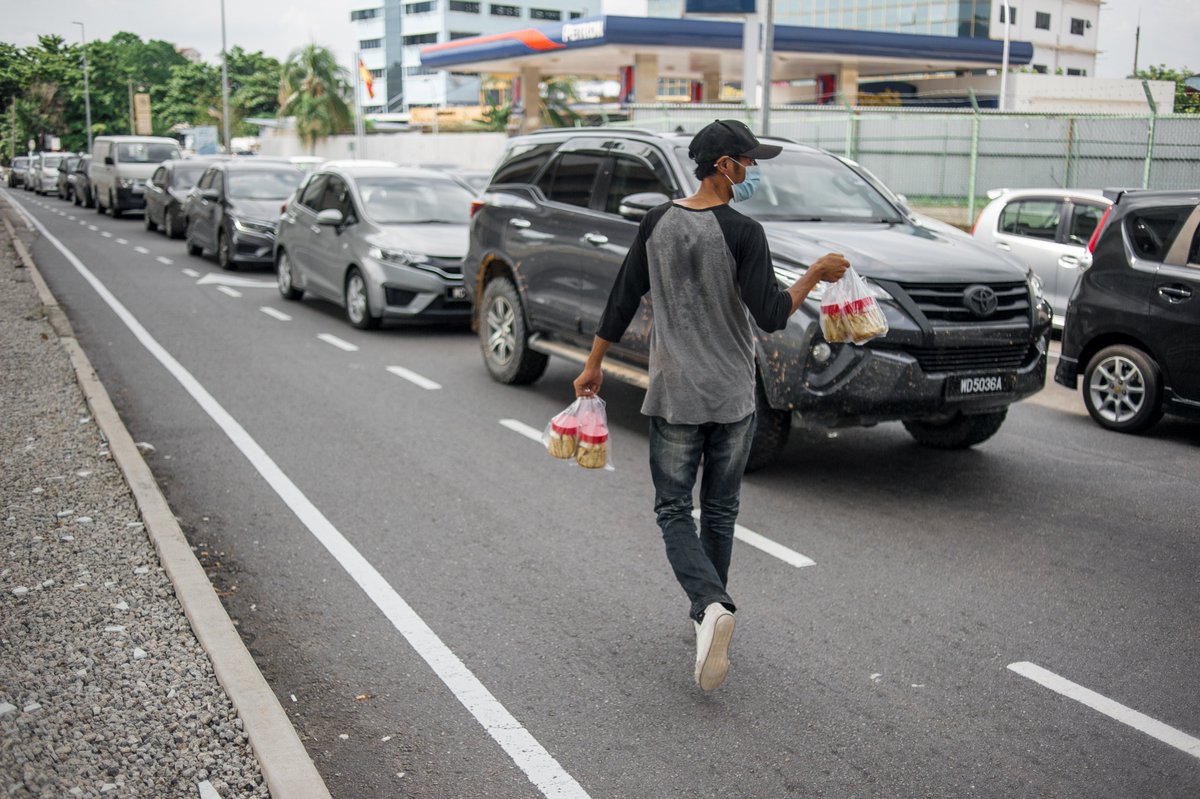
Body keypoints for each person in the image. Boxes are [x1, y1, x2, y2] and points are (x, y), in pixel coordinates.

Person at [572, 119, 849, 692]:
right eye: (749, 161)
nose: (753, 171)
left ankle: (709, 606)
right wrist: (816, 275)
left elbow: (623, 297)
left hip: (675, 392)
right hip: (731, 395)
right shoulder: (745, 232)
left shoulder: (656, 222)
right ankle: (711, 609)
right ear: (724, 166)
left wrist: (594, 363)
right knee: (719, 512)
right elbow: (772, 314)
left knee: (674, 510)